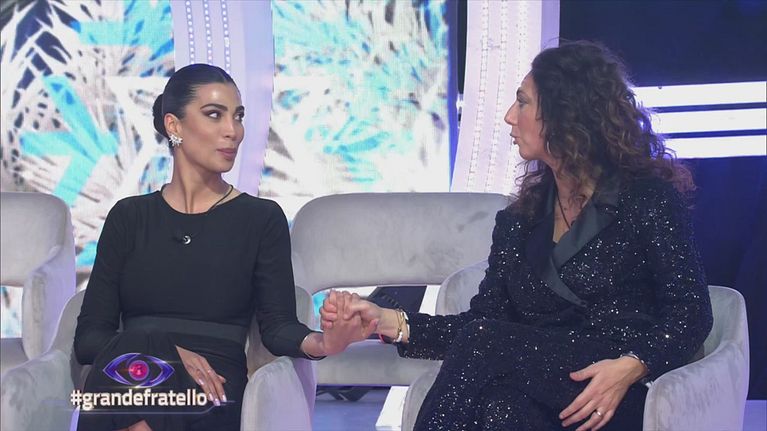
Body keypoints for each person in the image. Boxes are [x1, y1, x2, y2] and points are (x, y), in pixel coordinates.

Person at [319, 41, 713, 431]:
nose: (510, 116)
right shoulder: (519, 220)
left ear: (566, 113)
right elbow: (481, 325)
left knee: (484, 343)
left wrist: (631, 365)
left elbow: (691, 313)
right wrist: (387, 321)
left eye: (522, 102)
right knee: (500, 409)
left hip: (613, 391)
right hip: (538, 393)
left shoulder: (646, 200)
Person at [74, 63, 360, 431]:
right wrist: (165, 353)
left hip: (212, 384)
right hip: (131, 370)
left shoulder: (260, 218)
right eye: (214, 115)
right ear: (174, 126)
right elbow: (89, 341)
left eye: (238, 117)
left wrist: (323, 343)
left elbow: (277, 327)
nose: (233, 131)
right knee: (129, 382)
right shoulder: (128, 217)